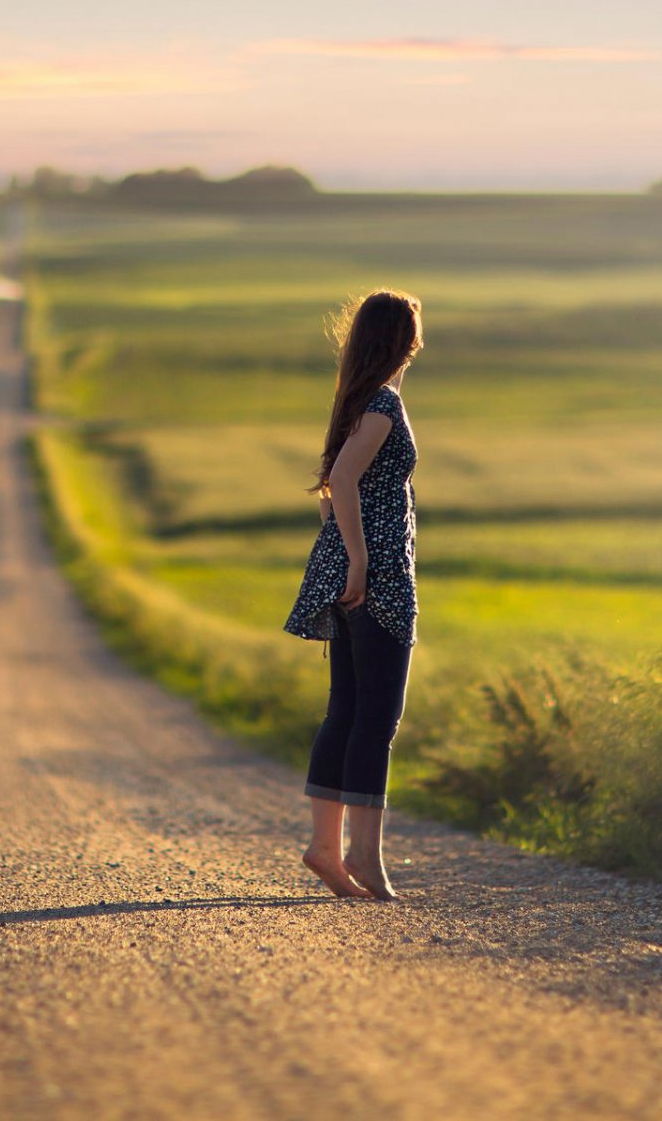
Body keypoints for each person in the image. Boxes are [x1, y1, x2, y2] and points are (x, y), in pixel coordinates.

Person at [282, 289, 423, 902]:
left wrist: (341, 557)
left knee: (345, 710)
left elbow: (328, 494)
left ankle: (327, 848)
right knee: (377, 718)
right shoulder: (384, 405)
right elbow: (340, 481)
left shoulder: (355, 404)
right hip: (380, 575)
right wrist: (361, 561)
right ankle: (364, 856)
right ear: (403, 340)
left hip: (349, 569)